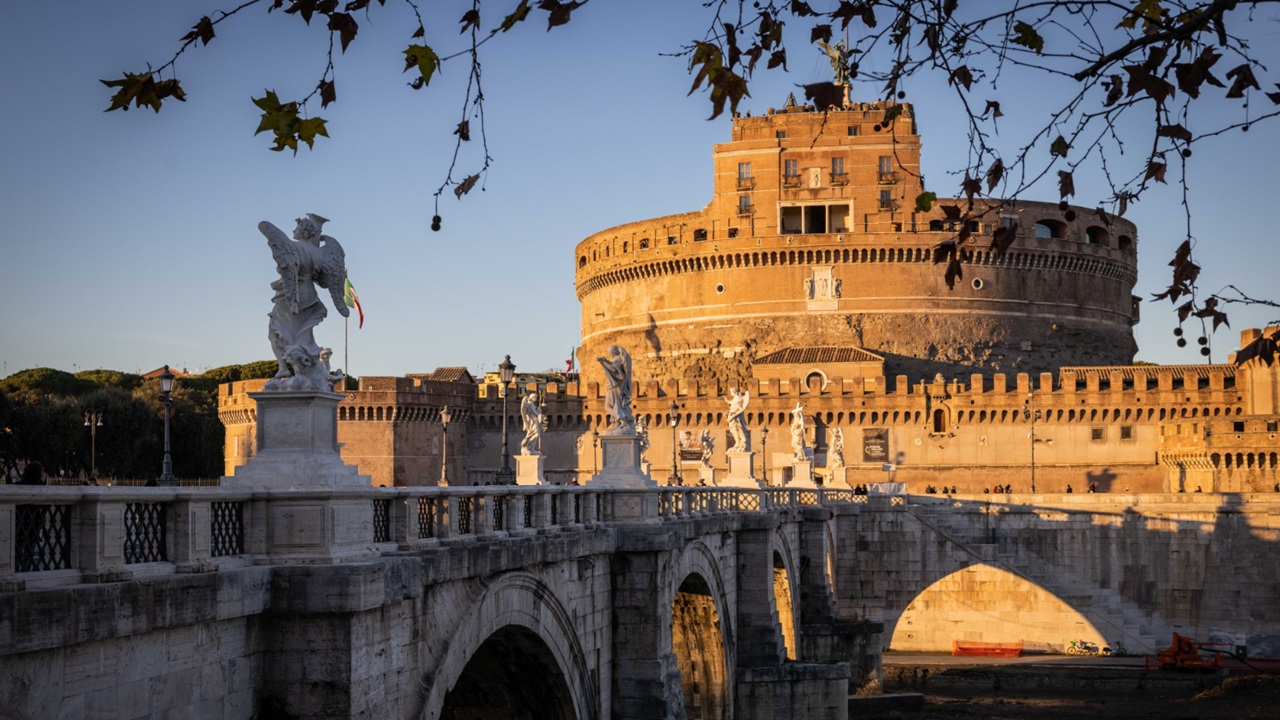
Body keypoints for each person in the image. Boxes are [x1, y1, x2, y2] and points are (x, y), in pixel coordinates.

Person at [259, 214, 350, 391]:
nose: (293, 230)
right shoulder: (323, 252)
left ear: (302, 231)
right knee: (302, 337)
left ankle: (283, 368)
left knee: (275, 332)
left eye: (297, 227)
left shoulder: (292, 246)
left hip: (292, 296)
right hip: (310, 297)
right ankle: (306, 370)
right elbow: (324, 282)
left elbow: (284, 267)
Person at [596, 345, 634, 434]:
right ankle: (618, 422)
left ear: (612, 352)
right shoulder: (618, 359)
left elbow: (613, 369)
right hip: (614, 386)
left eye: (609, 352)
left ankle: (623, 420)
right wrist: (605, 361)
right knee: (616, 406)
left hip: (614, 387)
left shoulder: (618, 359)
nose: (609, 354)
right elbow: (614, 366)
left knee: (609, 406)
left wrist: (603, 362)